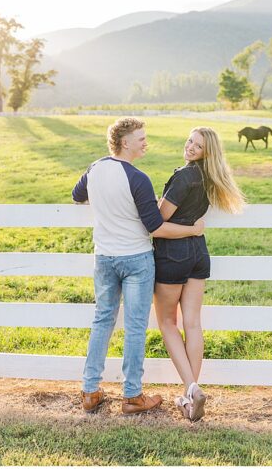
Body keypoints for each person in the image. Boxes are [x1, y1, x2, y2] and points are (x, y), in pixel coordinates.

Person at [72, 117, 205, 415]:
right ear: (124, 142)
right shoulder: (138, 178)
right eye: (140, 138)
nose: (145, 142)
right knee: (134, 326)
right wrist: (193, 230)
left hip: (104, 257)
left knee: (102, 320)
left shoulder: (95, 168)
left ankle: (90, 392)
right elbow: (154, 225)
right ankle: (132, 396)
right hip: (136, 259)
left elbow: (77, 196)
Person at [154, 126, 245, 422]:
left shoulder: (184, 176)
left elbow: (160, 217)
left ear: (207, 152)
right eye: (190, 140)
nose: (190, 146)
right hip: (198, 255)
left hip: (173, 253)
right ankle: (190, 397)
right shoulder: (209, 178)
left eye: (198, 145)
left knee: (168, 323)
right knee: (192, 324)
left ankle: (191, 388)